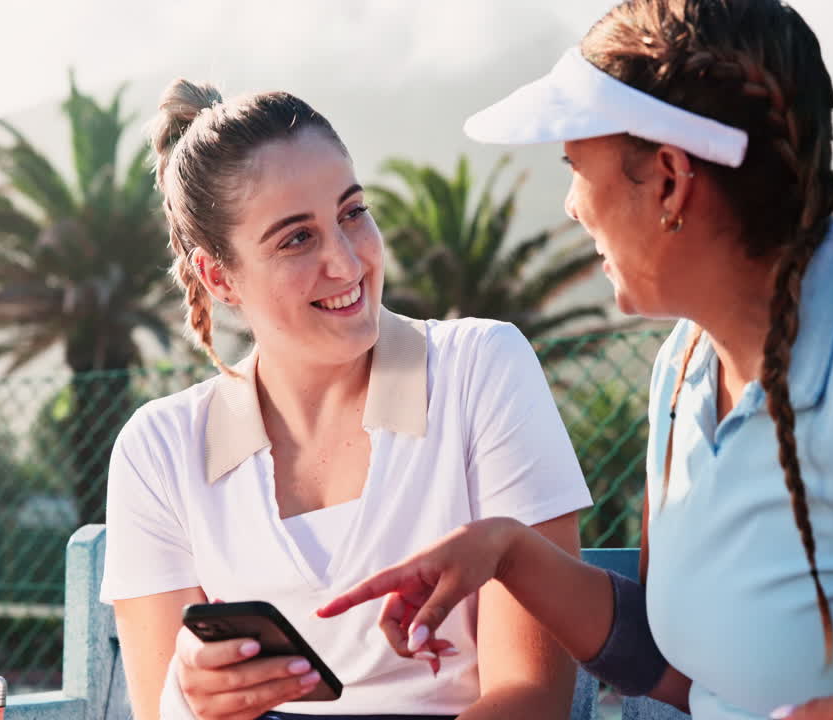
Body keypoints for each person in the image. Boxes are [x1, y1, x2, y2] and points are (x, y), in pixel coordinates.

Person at [317, 2, 833, 719]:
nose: (572, 205)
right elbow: (683, 668)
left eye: (576, 165)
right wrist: (508, 551)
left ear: (671, 181)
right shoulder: (684, 368)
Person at [98, 80, 594, 720]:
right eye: (296, 239)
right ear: (219, 277)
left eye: (352, 212)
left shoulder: (480, 368)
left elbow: (532, 695)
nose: (347, 262)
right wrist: (190, 700)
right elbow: (160, 712)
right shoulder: (160, 450)